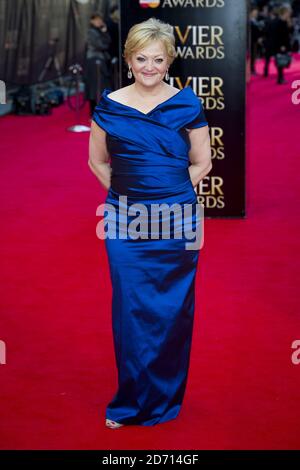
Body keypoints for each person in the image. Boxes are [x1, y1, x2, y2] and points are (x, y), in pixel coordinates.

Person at [88, 17, 212, 428]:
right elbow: (96, 160)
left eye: (158, 60)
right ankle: (130, 403)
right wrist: (126, 197)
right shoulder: (109, 105)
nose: (149, 67)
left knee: (172, 312)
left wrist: (171, 194)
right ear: (128, 59)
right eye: (141, 58)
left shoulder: (186, 104)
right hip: (125, 222)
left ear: (169, 62)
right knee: (130, 312)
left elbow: (202, 162)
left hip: (177, 222)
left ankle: (164, 398)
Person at [84, 13, 112, 116]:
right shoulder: (91, 32)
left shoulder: (99, 31)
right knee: (94, 86)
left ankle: (101, 110)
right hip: (94, 61)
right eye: (96, 20)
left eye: (100, 19)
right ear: (92, 21)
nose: (99, 22)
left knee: (101, 85)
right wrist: (104, 41)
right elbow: (100, 45)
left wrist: (104, 32)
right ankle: (93, 112)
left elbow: (108, 42)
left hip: (101, 60)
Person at [263, 4, 293, 84]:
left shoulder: (285, 21)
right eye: (289, 12)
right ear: (285, 12)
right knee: (280, 61)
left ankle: (281, 77)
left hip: (284, 44)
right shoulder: (278, 22)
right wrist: (281, 45)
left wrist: (289, 24)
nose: (290, 13)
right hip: (280, 45)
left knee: (283, 61)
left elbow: (289, 33)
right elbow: (277, 35)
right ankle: (280, 78)